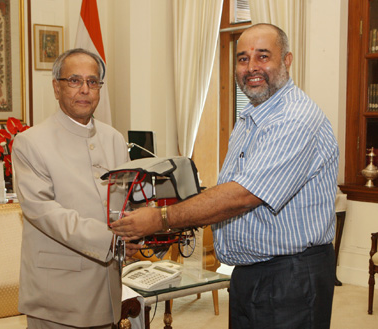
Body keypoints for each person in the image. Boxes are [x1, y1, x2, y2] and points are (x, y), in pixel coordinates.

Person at [111, 23, 339, 329]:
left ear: (286, 60)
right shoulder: (250, 117)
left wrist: (160, 219)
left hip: (290, 279)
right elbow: (227, 194)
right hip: (251, 273)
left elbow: (242, 196)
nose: (251, 67)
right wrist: (167, 229)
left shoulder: (295, 118)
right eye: (243, 58)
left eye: (263, 56)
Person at [12, 48, 139, 329]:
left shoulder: (115, 139)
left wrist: (143, 226)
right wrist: (113, 241)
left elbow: (127, 202)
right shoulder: (30, 142)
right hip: (57, 297)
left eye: (92, 82)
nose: (85, 90)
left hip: (108, 290)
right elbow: (44, 212)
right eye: (74, 81)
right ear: (56, 88)